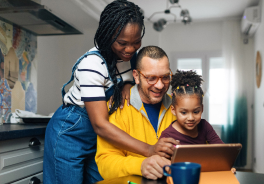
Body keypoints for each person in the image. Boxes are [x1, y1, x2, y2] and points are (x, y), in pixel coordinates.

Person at [43, 1, 176, 184]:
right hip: (71, 134)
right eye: (123, 43)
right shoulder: (91, 65)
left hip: (98, 140)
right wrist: (149, 150)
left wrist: (127, 85)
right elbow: (100, 124)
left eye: (136, 42)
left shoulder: (127, 57)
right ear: (108, 35)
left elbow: (127, 76)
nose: (130, 49)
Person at [96, 45, 179, 180]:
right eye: (151, 78)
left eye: (165, 77)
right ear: (136, 76)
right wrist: (140, 165)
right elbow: (105, 163)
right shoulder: (117, 108)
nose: (160, 85)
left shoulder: (178, 107)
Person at [159, 70, 224, 144]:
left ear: (202, 109)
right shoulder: (167, 136)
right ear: (173, 110)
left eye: (196, 112)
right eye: (184, 112)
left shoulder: (205, 126)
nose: (191, 118)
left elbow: (222, 151)